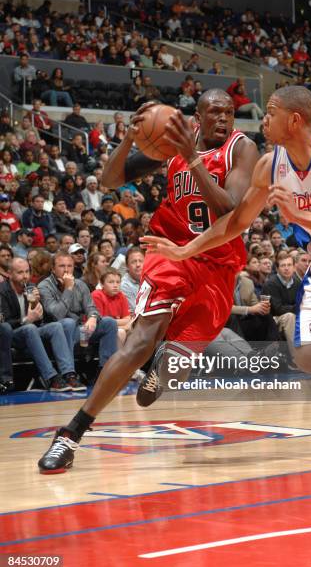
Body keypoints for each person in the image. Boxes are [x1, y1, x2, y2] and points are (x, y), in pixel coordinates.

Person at [141, 85, 311, 417]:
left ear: (294, 120)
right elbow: (235, 221)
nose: (263, 120)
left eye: (270, 113)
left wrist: (298, 215)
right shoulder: (269, 165)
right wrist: (185, 250)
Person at [37, 89, 258, 473]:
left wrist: (191, 157)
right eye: (214, 113)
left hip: (218, 264)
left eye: (228, 113)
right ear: (198, 116)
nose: (223, 119)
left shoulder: (242, 150)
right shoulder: (172, 142)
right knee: (140, 339)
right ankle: (70, 434)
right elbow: (109, 180)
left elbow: (230, 209)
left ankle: (163, 367)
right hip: (170, 250)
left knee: (175, 367)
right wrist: (131, 137)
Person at [0, 257, 82, 391]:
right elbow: (5, 323)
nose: (25, 276)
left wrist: (36, 303)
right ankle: (51, 378)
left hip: (31, 330)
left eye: (27, 272)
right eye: (20, 272)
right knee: (30, 328)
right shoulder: (2, 291)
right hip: (12, 335)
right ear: (9, 274)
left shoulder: (31, 287)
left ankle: (68, 374)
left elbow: (41, 319)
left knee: (56, 326)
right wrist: (26, 320)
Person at [92, 268, 131, 346]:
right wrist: (123, 325)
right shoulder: (97, 295)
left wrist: (123, 323)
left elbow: (127, 319)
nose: (115, 285)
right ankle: (117, 358)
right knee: (121, 332)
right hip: (97, 330)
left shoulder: (121, 296)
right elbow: (101, 322)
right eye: (111, 282)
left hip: (116, 327)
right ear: (102, 284)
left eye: (118, 282)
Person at [120, 247, 144, 313]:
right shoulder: (124, 285)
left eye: (140, 261)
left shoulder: (150, 279)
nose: (138, 265)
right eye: (133, 262)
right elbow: (135, 311)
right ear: (127, 266)